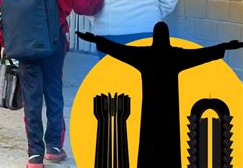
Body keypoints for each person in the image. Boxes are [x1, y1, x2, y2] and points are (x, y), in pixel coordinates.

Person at [0, 0, 104, 168]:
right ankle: (54, 147)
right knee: (54, 93)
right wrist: (102, 0)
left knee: (32, 96)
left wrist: (5, 40)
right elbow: (84, 6)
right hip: (55, 43)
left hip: (25, 42)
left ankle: (34, 155)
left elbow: (9, 8)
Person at [77, 22, 243, 168]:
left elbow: (117, 49)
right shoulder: (177, 55)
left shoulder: (143, 55)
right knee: (170, 142)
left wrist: (95, 40)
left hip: (150, 109)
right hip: (170, 108)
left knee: (148, 142)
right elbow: (202, 54)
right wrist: (225, 46)